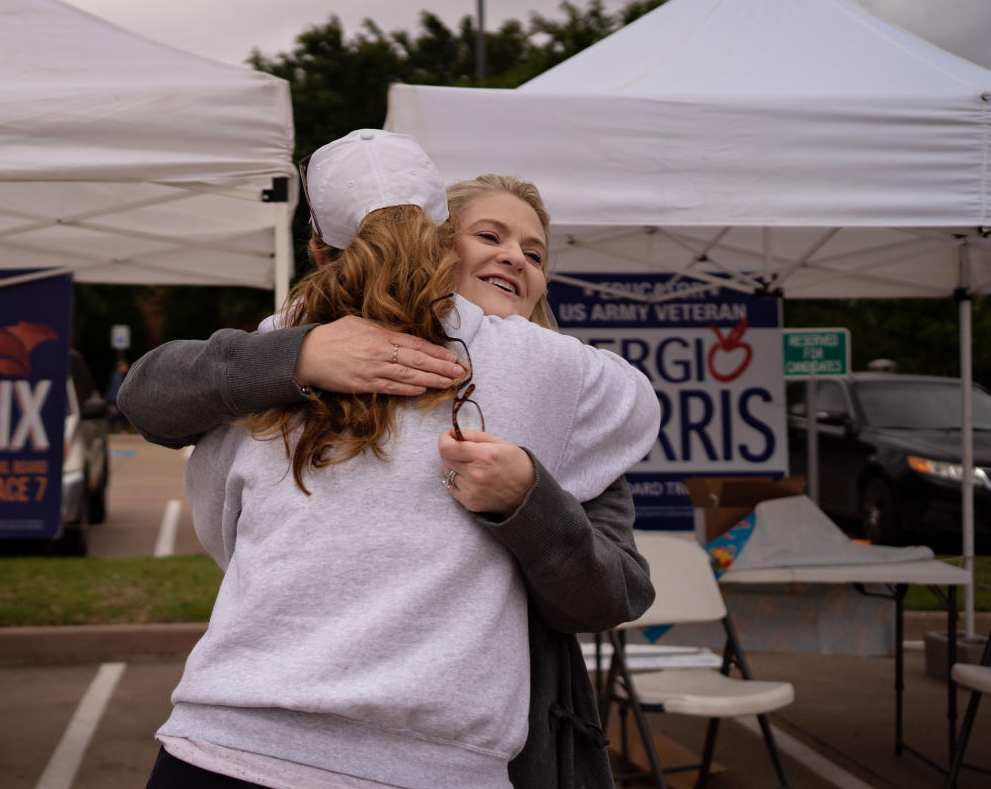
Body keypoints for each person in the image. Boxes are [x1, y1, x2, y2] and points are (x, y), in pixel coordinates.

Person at [120, 130, 660, 788]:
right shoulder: (286, 352)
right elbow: (154, 395)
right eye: (489, 237)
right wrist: (301, 354)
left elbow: (614, 595)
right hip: (239, 735)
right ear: (435, 240)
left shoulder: (567, 405)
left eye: (535, 250)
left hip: (438, 753)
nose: (515, 257)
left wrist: (530, 501)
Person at [106, 358, 130, 432]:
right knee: (119, 414)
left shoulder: (118, 375)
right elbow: (118, 387)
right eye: (125, 366)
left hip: (114, 398)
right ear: (120, 367)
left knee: (119, 414)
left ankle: (119, 428)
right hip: (115, 398)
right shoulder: (117, 375)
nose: (126, 367)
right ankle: (120, 428)